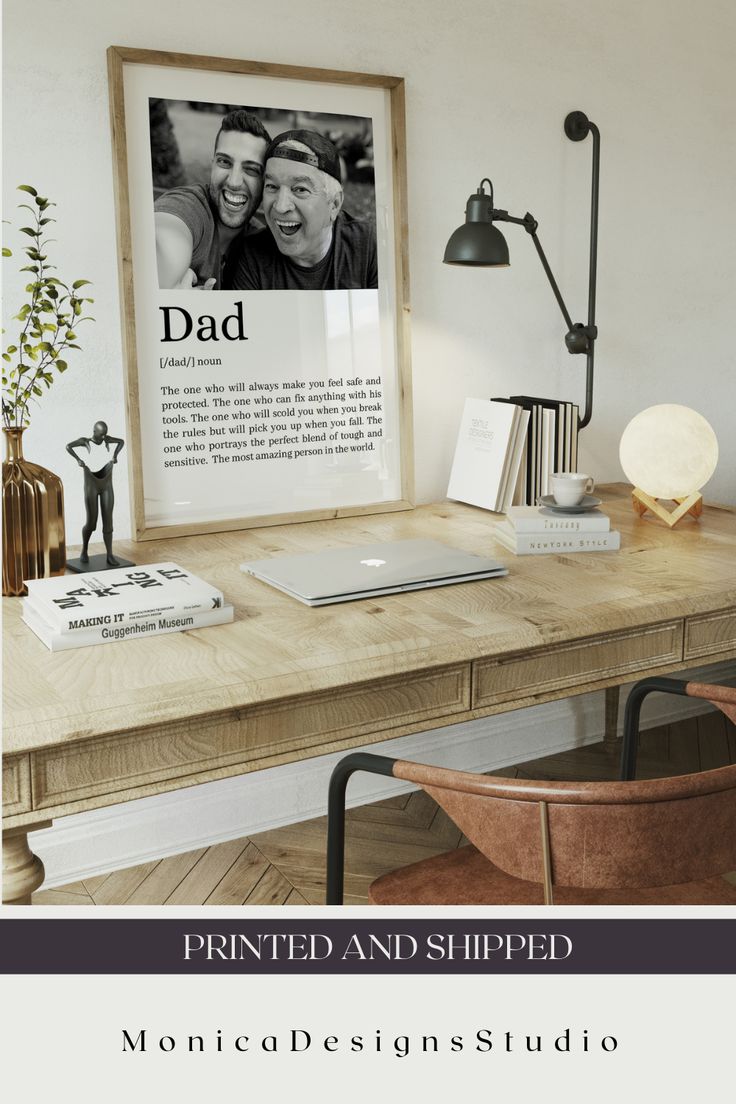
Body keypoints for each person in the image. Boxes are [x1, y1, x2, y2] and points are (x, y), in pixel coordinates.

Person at [229, 129, 378, 291]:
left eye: (300, 189)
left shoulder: (367, 247)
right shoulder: (251, 257)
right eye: (272, 186)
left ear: (334, 204)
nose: (280, 206)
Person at [154, 108, 270, 290]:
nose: (234, 181)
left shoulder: (259, 242)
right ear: (213, 163)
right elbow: (164, 238)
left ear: (264, 181)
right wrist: (165, 285)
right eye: (225, 162)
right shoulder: (189, 207)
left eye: (251, 169)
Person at [66, 422, 124, 566]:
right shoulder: (84, 441)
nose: (103, 437)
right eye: (101, 434)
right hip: (91, 484)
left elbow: (121, 442)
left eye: (105, 433)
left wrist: (115, 456)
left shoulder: (107, 439)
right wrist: (78, 460)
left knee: (108, 521)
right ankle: (84, 549)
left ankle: (110, 554)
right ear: (94, 431)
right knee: (92, 523)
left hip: (107, 485)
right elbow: (68, 446)